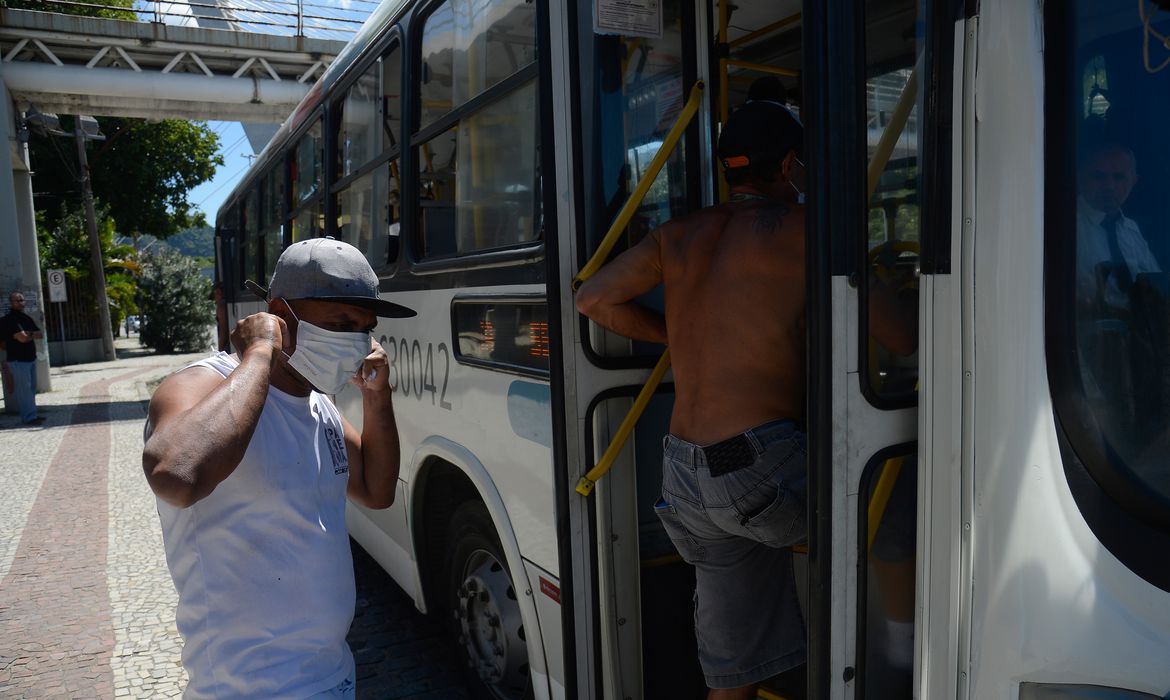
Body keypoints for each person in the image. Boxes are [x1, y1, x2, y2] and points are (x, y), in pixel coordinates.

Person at [576, 98, 914, 698]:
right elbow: (902, 337)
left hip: (684, 474)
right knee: (897, 506)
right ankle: (905, 658)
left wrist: (676, 338)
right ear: (790, 164)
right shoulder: (810, 230)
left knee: (731, 672)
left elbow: (593, 299)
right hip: (760, 469)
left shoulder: (679, 235)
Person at [142, 237, 415, 699]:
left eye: (365, 328)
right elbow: (176, 474)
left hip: (332, 675)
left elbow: (375, 488)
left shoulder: (317, 404)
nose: (357, 340)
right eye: (342, 323)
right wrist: (260, 354)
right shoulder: (201, 383)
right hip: (248, 688)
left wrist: (376, 395)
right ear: (279, 315)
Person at [1076, 142, 1160, 313]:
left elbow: (1155, 284)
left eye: (1119, 177)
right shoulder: (1067, 226)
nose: (1109, 186)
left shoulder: (1130, 229)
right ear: (1081, 177)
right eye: (1098, 176)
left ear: (1134, 181)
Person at [1, 291, 45, 425]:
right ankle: (28, 418)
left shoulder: (26, 318)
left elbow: (40, 334)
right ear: (11, 303)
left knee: (31, 390)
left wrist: (28, 334)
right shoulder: (8, 320)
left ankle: (32, 415)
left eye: (22, 300)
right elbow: (22, 338)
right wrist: (27, 336)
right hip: (18, 359)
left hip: (30, 358)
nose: (21, 303)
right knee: (23, 390)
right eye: (17, 300)